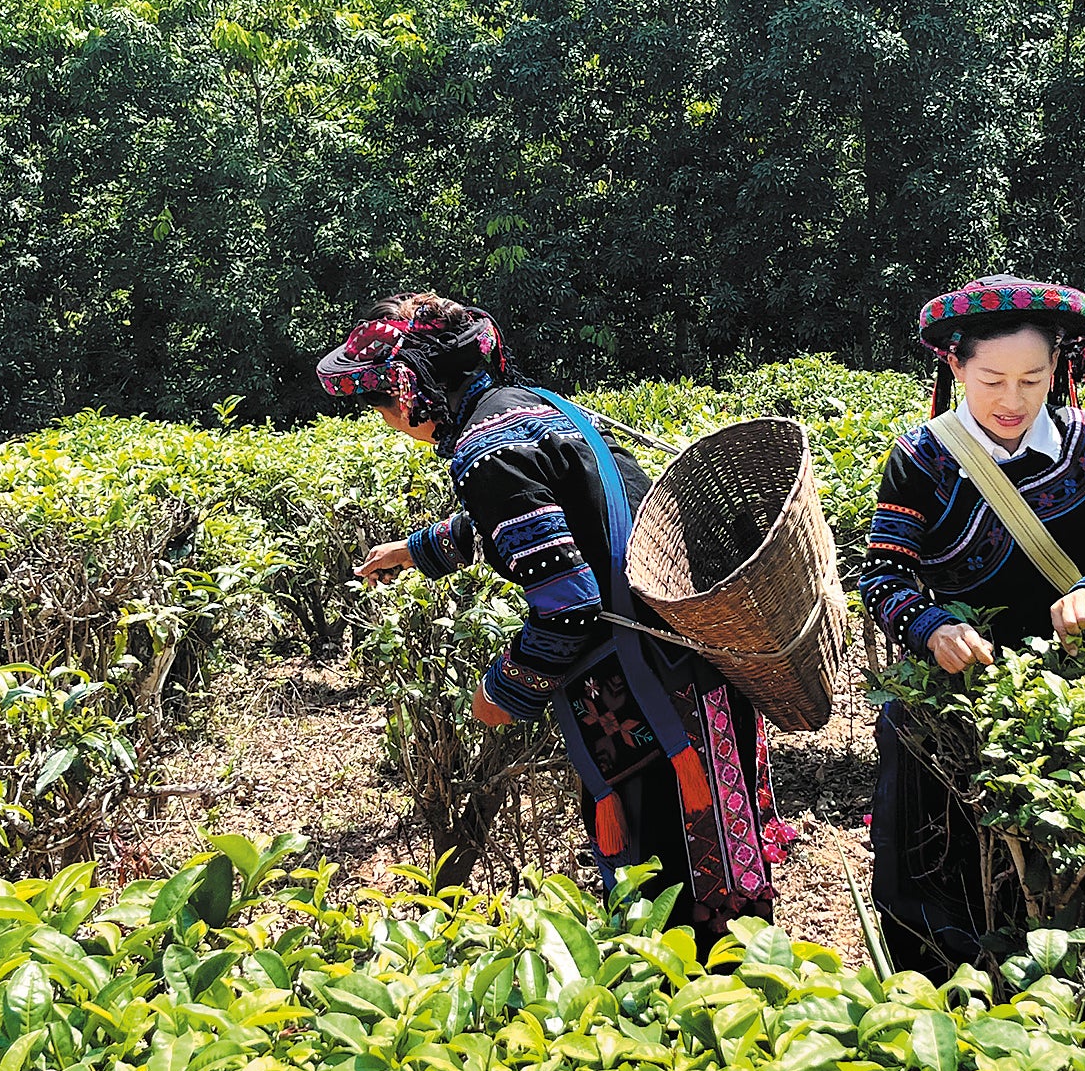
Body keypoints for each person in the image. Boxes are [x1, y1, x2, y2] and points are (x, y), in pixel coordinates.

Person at [323, 292, 791, 938]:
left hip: (649, 704)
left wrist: (503, 693)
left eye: (379, 400)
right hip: (695, 667)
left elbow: (568, 607)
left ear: (415, 390)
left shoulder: (487, 450)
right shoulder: (534, 409)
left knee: (673, 906)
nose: (383, 418)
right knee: (724, 885)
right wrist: (417, 550)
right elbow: (551, 519)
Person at [859, 276, 1085, 974]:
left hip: (1071, 691)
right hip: (957, 692)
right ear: (954, 367)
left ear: (1059, 372)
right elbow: (883, 574)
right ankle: (940, 989)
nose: (1012, 402)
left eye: (1033, 381)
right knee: (939, 856)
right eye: (991, 380)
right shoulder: (921, 457)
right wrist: (930, 629)